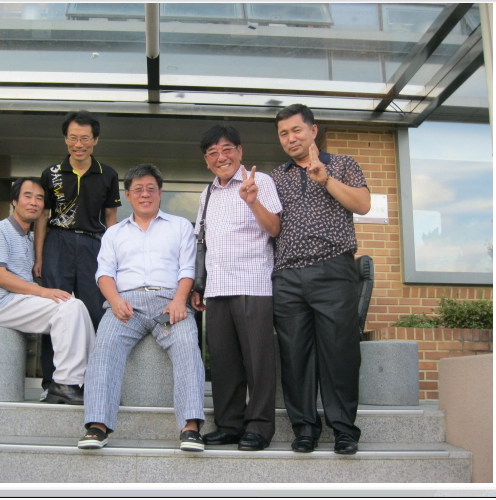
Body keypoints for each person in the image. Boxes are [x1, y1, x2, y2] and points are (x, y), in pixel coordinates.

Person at [77, 164, 206, 452]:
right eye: (138, 189)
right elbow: (104, 273)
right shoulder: (114, 233)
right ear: (127, 195)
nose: (144, 194)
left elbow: (187, 268)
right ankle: (97, 426)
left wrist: (179, 300)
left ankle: (190, 427)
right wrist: (114, 301)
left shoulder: (179, 226)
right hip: (126, 307)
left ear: (160, 193)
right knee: (105, 347)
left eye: (150, 189)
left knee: (187, 345)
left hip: (168, 306)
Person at [271, 104, 371, 455]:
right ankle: (304, 429)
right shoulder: (276, 176)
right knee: (294, 355)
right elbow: (272, 226)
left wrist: (325, 179)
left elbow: (363, 205)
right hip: (287, 275)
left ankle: (344, 430)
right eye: (283, 133)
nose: (290, 138)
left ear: (313, 131)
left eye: (296, 130)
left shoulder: (343, 164)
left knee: (340, 352)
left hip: (333, 270)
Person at [190, 125, 282, 451]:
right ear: (206, 161)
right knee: (223, 362)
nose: (221, 157)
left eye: (227, 149)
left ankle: (259, 427)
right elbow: (203, 242)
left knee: (257, 361)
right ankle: (229, 425)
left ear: (240, 151)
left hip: (252, 284)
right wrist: (199, 284)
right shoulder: (207, 193)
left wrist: (253, 201)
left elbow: (274, 228)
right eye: (212, 153)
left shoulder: (261, 182)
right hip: (217, 288)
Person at [0, 177, 96, 405]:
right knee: (68, 307)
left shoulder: (31, 238)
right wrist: (43, 292)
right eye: (28, 196)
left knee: (77, 306)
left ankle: (90, 381)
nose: (34, 202)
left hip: (20, 302)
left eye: (40, 198)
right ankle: (64, 384)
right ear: (14, 201)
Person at [34, 110, 121, 398]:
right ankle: (51, 382)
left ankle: (92, 382)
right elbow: (43, 217)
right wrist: (40, 257)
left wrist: (113, 259)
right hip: (57, 243)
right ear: (65, 139)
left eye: (85, 138)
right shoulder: (51, 174)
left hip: (93, 246)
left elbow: (111, 218)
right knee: (55, 310)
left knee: (95, 312)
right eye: (73, 138)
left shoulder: (108, 174)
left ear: (95, 140)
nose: (78, 144)